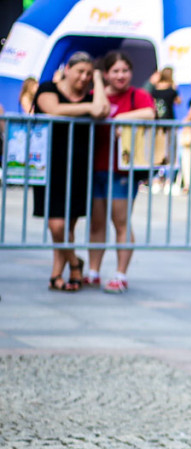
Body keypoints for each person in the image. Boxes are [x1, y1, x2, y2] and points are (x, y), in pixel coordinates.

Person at [31, 52, 109, 292]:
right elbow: (52, 110)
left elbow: (103, 109)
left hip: (78, 166)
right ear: (67, 69)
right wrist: (88, 107)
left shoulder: (91, 93)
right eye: (81, 72)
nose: (84, 77)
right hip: (49, 166)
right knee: (56, 225)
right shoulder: (47, 88)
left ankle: (57, 274)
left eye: (89, 73)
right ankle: (75, 264)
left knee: (68, 227)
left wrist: (98, 79)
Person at [85, 51, 155, 294]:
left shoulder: (139, 95)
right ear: (105, 74)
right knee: (96, 223)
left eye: (125, 70)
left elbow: (149, 113)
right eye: (115, 70)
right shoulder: (95, 95)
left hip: (122, 170)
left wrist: (118, 119)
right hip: (96, 167)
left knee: (120, 221)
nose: (121, 75)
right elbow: (97, 109)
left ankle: (120, 274)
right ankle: (93, 271)